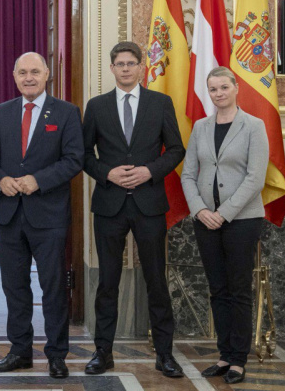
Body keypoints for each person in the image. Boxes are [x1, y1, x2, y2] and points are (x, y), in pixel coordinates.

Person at [82, 41, 185, 378]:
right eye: (119, 64)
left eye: (131, 63)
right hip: (110, 204)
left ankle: (165, 354)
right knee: (107, 282)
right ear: (111, 68)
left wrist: (150, 171)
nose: (125, 69)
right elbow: (83, 155)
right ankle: (103, 353)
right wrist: (106, 173)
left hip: (149, 203)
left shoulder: (160, 103)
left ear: (141, 67)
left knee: (156, 279)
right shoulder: (96, 106)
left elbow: (176, 149)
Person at [0, 52, 83, 379]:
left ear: (47, 74)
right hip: (9, 216)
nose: (29, 77)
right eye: (22, 72)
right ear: (14, 76)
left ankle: (56, 354)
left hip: (49, 216)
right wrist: (0, 179)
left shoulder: (66, 113)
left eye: (35, 72)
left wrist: (38, 180)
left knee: (53, 287)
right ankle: (20, 351)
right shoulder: (2, 112)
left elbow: (73, 160)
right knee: (15, 288)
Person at [181, 66, 269, 385]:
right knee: (217, 289)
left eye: (223, 87)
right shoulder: (201, 127)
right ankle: (223, 354)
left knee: (238, 289)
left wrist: (225, 212)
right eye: (213, 89)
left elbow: (255, 178)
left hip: (242, 220)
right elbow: (188, 174)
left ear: (235, 88)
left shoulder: (253, 126)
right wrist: (201, 209)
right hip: (205, 220)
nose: (218, 94)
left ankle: (238, 359)